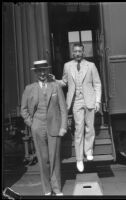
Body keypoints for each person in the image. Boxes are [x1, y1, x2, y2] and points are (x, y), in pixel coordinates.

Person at [21, 60, 67, 196]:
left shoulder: (56, 87)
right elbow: (23, 110)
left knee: (55, 158)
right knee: (43, 158)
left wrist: (63, 126)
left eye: (44, 70)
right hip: (38, 126)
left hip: (54, 126)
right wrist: (31, 123)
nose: (42, 73)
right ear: (35, 73)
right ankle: (47, 189)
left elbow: (63, 109)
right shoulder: (29, 88)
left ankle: (57, 188)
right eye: (39, 71)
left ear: (47, 71)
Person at [57, 43, 102, 172]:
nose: (77, 53)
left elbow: (97, 84)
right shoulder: (67, 66)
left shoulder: (91, 66)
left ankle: (88, 151)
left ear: (83, 52)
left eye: (80, 51)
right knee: (78, 129)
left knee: (90, 127)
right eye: (75, 51)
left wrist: (97, 101)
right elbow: (64, 82)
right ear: (73, 52)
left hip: (89, 100)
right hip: (76, 101)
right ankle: (79, 159)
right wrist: (54, 81)